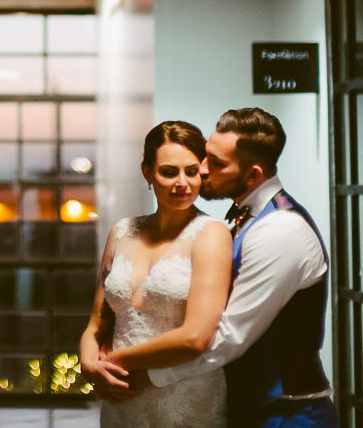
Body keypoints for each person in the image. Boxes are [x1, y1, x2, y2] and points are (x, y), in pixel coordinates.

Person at [117, 107, 338, 428]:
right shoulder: (242, 218)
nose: (202, 169)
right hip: (251, 410)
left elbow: (229, 338)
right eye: (206, 155)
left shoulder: (279, 230)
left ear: (253, 176)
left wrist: (144, 375)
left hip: (287, 415)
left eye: (217, 164)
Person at [81, 120, 233, 427]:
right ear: (147, 172)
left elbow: (195, 337)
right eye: (168, 171)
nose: (183, 182)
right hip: (121, 401)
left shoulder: (211, 234)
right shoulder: (122, 231)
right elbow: (97, 324)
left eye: (191, 171)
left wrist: (112, 363)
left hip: (185, 398)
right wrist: (87, 364)